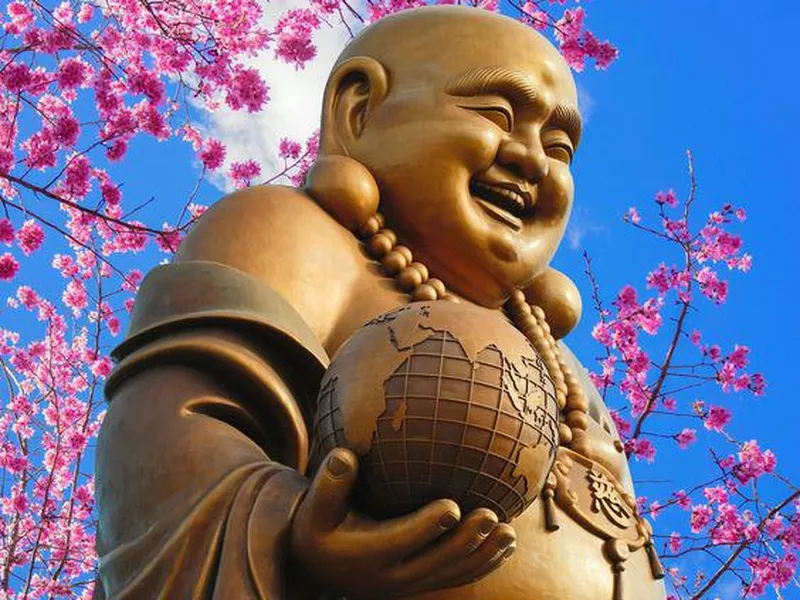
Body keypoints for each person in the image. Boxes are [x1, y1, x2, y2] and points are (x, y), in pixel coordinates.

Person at [94, 6, 667, 599]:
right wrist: (288, 535)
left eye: (559, 146)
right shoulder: (300, 238)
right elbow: (168, 429)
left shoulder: (559, 364)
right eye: (497, 114)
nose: (531, 159)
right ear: (358, 110)